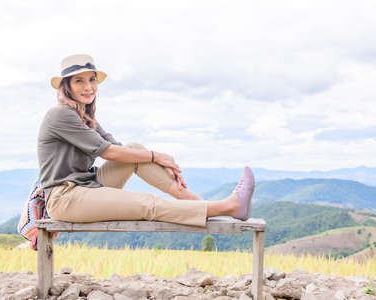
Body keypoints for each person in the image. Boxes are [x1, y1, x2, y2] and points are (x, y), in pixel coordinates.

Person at [38, 54, 255, 227]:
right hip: (65, 197)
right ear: (66, 86)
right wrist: (158, 156)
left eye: (92, 80)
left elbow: (121, 150)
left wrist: (160, 164)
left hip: (88, 185)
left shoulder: (84, 116)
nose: (89, 87)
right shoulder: (61, 114)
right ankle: (227, 207)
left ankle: (198, 204)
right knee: (146, 203)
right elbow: (108, 153)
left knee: (134, 150)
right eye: (79, 81)